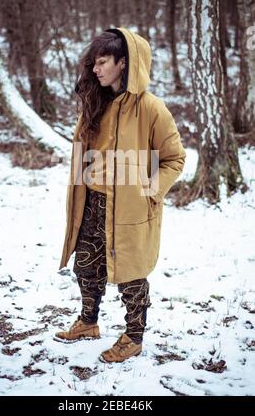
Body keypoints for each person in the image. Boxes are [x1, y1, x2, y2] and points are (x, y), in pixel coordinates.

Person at [56, 27, 186, 363]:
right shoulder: (95, 102)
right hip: (92, 201)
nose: (95, 69)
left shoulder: (151, 108)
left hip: (129, 205)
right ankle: (87, 322)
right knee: (85, 265)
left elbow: (174, 159)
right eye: (93, 63)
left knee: (130, 272)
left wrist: (150, 191)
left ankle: (133, 337)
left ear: (123, 63)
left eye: (102, 62)